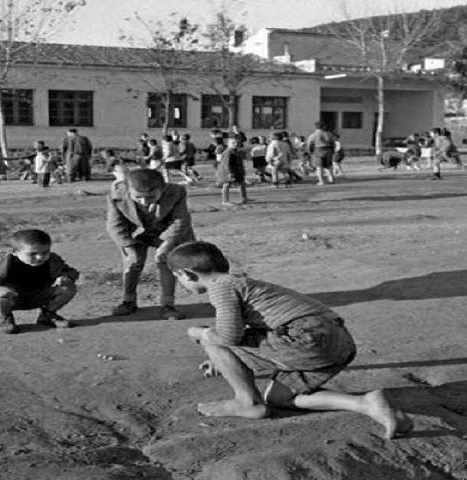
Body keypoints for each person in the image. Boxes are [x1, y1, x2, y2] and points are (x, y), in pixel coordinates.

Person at [167, 241, 413, 439]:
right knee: (279, 399)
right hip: (336, 340)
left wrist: (199, 334)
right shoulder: (243, 282)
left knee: (209, 335)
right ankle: (365, 404)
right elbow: (244, 336)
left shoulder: (221, 287)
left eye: (177, 279)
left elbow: (229, 336)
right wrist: (221, 360)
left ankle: (246, 403)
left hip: (304, 337)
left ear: (185, 274)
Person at [106, 168, 195, 320]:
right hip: (135, 232)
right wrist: (128, 246)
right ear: (128, 190)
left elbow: (180, 221)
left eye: (151, 197)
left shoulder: (177, 192)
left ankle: (168, 304)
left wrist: (166, 244)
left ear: (163, 189)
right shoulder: (116, 195)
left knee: (165, 261)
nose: (144, 201)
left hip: (166, 231)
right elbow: (115, 225)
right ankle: (128, 301)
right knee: (133, 263)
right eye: (138, 197)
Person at [0, 229, 78, 334]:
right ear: (15, 252)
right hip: (11, 298)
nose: (40, 257)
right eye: (32, 254)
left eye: (45, 252)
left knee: (67, 288)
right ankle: (4, 319)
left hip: (40, 296)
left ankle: (48, 315)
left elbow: (71, 271)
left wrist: (66, 277)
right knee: (4, 294)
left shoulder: (53, 260)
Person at [216, 135, 248, 206]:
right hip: (228, 172)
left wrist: (242, 170)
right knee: (227, 184)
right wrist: (230, 173)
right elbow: (226, 164)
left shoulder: (236, 151)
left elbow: (240, 162)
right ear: (228, 144)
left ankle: (244, 198)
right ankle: (225, 201)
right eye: (233, 143)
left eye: (237, 143)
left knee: (242, 183)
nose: (235, 144)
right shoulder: (229, 152)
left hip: (237, 171)